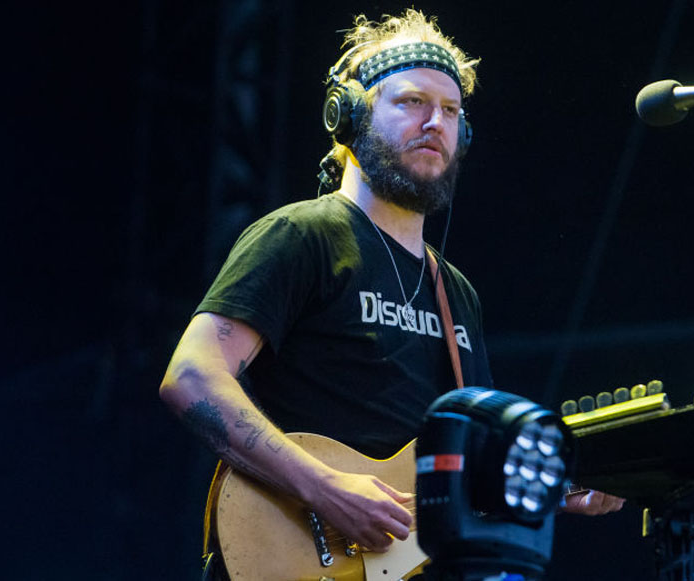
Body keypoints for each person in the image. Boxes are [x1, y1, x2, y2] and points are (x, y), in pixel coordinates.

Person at [158, 9, 623, 577]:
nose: (435, 122)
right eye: (412, 102)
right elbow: (191, 377)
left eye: (451, 111)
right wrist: (325, 488)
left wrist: (558, 488)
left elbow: (465, 478)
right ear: (349, 116)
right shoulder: (303, 236)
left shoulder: (456, 294)